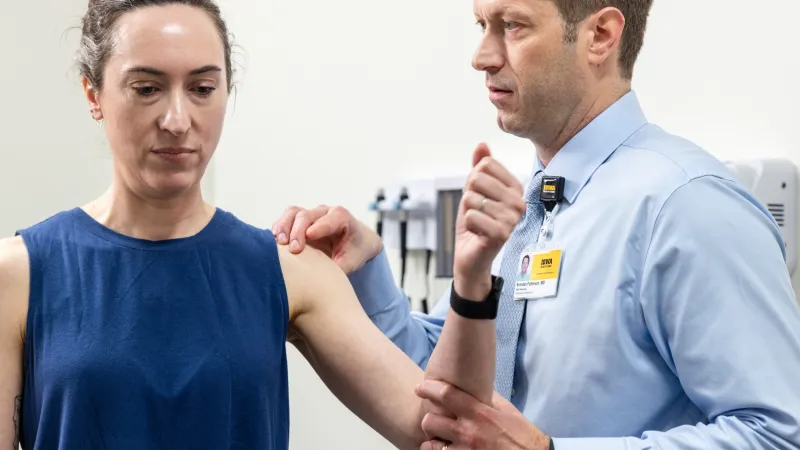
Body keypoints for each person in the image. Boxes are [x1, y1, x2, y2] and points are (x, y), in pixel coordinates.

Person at [0, 1, 530, 449]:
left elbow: (442, 429)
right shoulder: (18, 275)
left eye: (203, 88)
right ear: (94, 94)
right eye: (146, 89)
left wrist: (473, 278)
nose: (178, 120)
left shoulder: (288, 268)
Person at [272, 0, 800, 448]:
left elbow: (779, 433)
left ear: (600, 35)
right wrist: (368, 270)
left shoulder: (688, 206)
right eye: (483, 26)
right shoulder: (538, 201)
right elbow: (452, 386)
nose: (481, 57)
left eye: (513, 26)